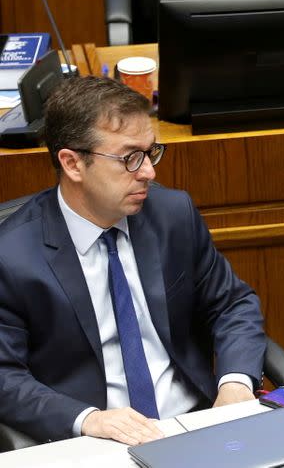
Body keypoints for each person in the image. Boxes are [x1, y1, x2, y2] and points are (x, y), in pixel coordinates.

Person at [0, 76, 268, 445]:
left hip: (196, 423)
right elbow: (4, 375)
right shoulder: (11, 256)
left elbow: (232, 304)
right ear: (73, 164)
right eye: (130, 158)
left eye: (151, 152)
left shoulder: (172, 215)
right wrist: (87, 419)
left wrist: (235, 383)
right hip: (93, 441)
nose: (149, 172)